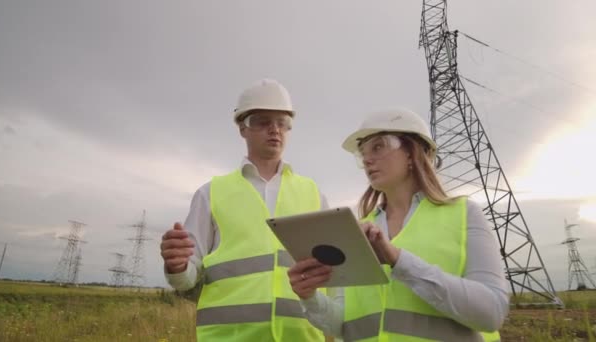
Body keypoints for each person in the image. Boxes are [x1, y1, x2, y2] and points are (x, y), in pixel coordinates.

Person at [287, 108, 509, 341]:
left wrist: (399, 261)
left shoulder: (464, 214)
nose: (367, 159)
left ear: (413, 152)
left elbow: (491, 313)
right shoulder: (356, 231)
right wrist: (309, 296)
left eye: (379, 146)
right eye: (363, 152)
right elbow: (343, 324)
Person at [160, 79, 330, 341]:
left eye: (282, 123)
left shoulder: (314, 195)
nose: (275, 130)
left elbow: (336, 276)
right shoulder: (211, 193)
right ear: (243, 128)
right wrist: (177, 266)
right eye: (263, 121)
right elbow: (186, 279)